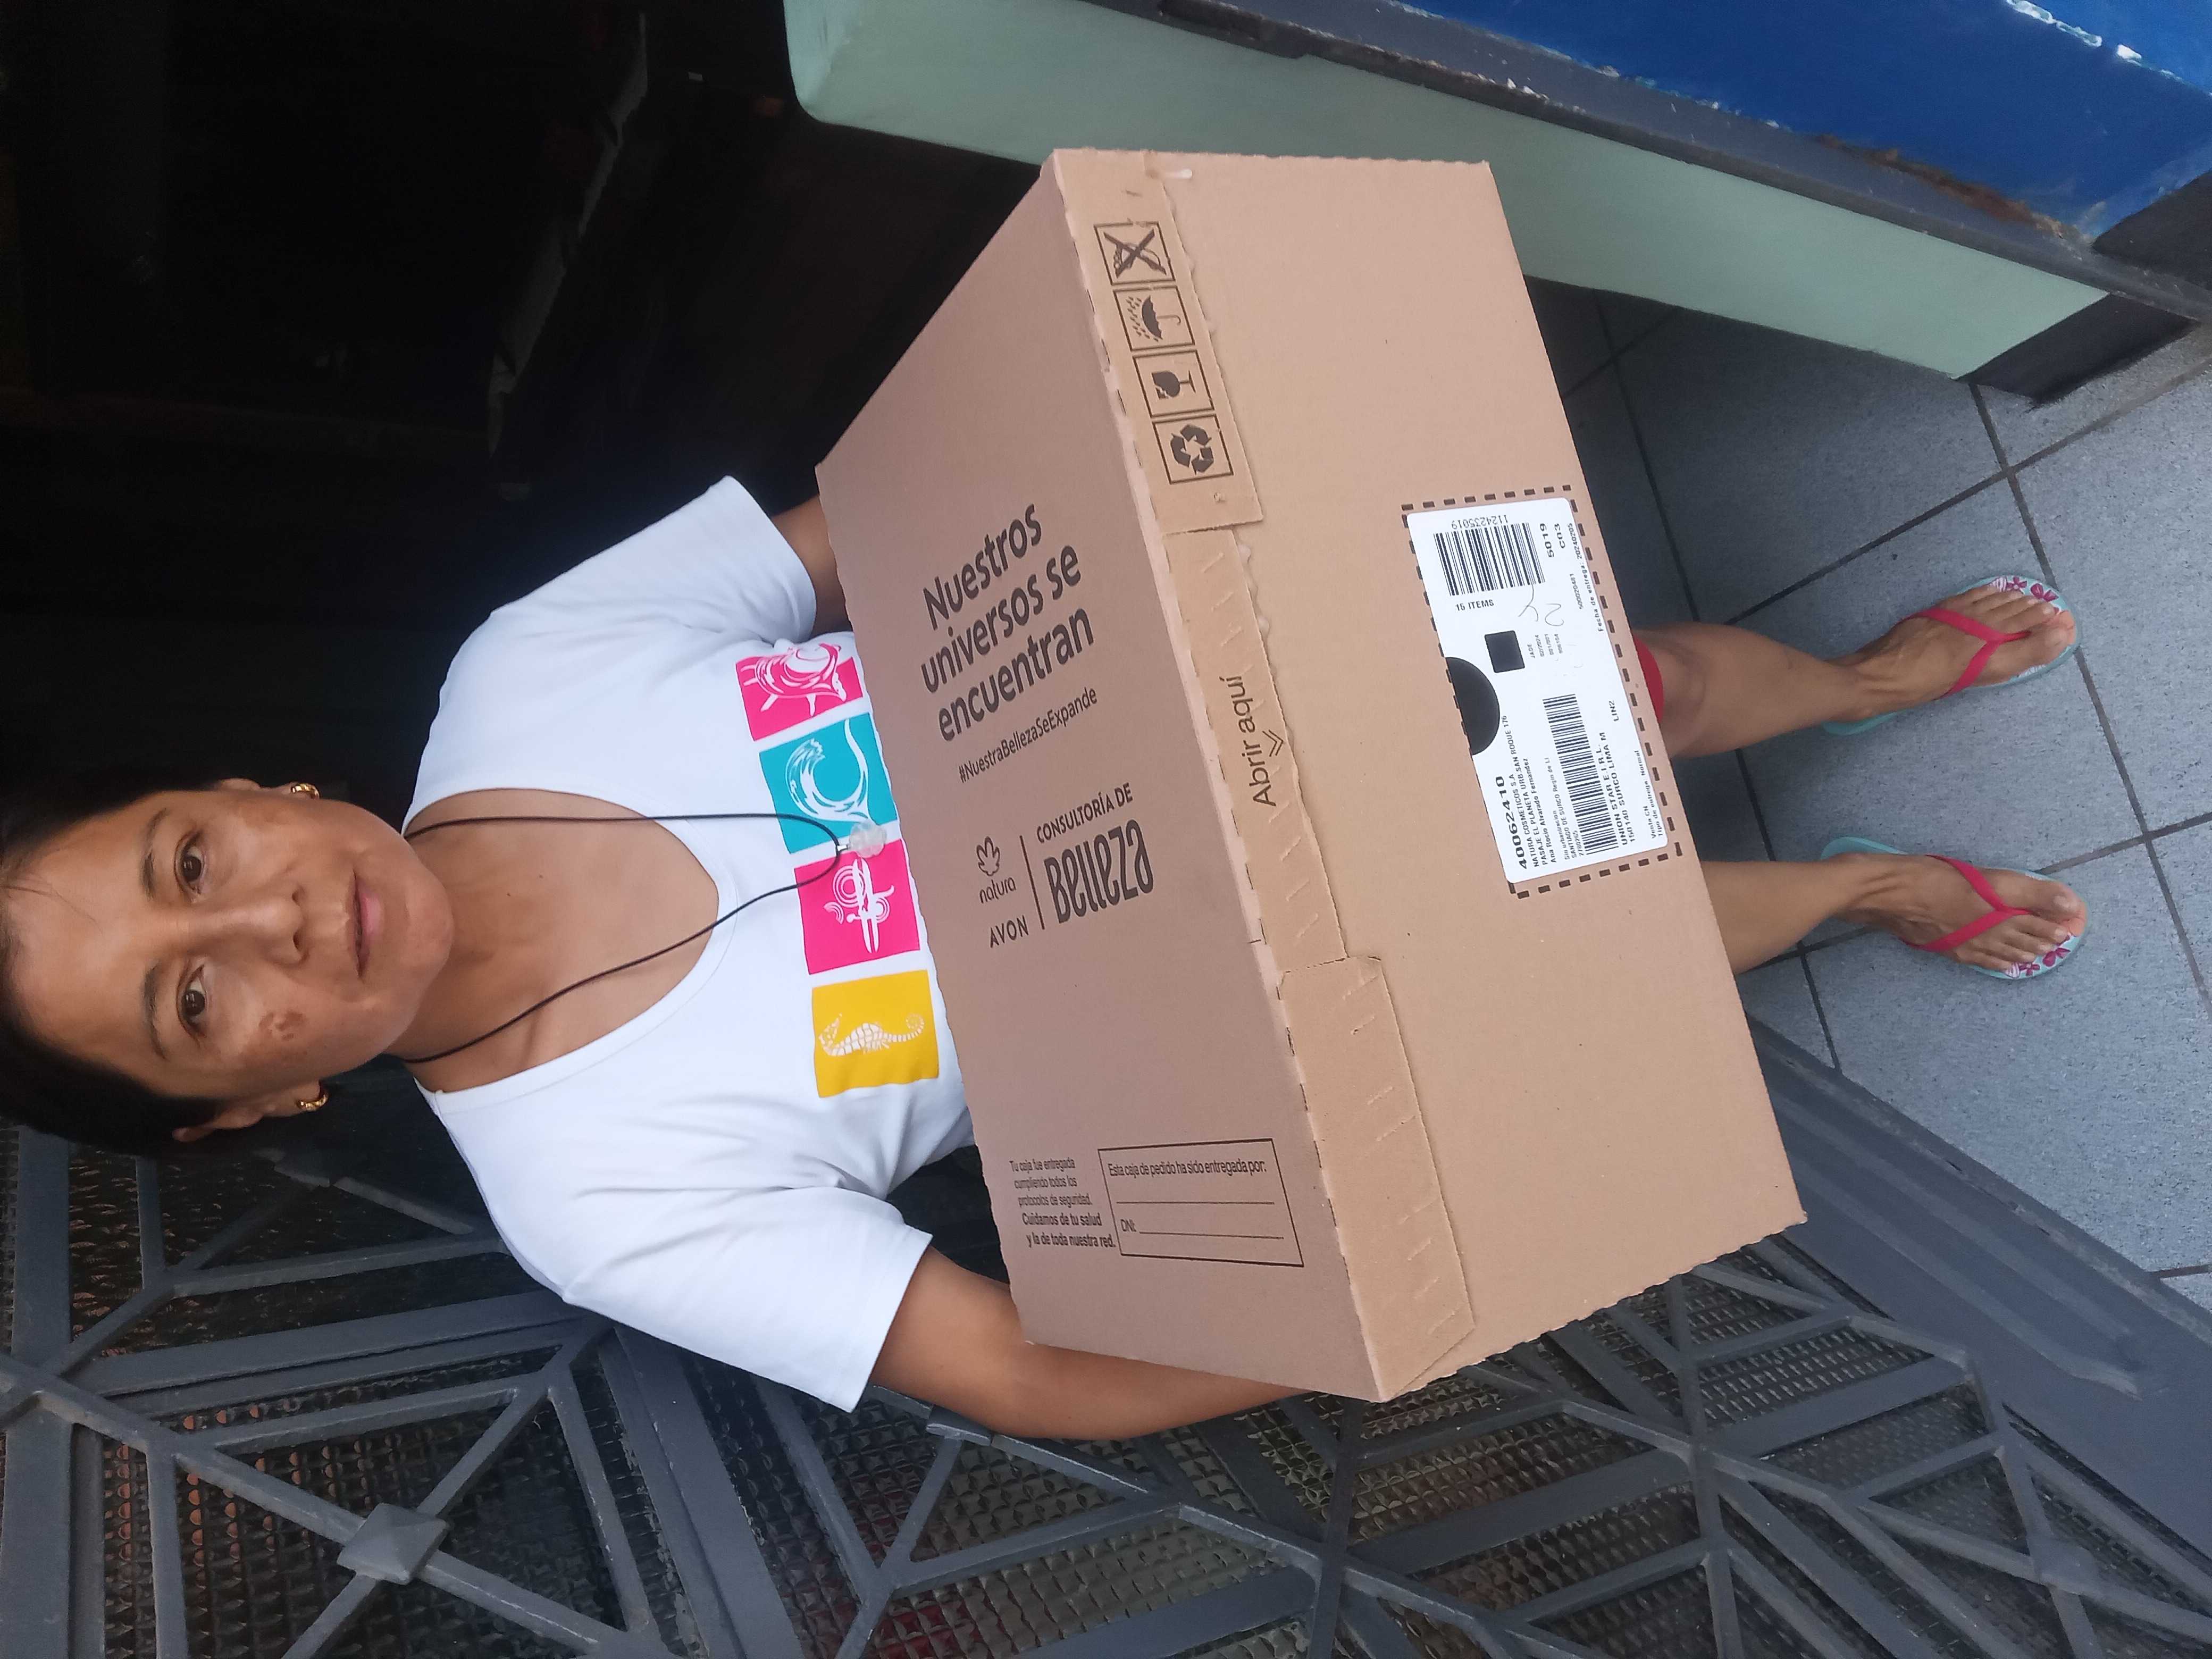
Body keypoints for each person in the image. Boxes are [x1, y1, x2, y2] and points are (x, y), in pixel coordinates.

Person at [0, 480, 2084, 1438]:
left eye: (193, 860)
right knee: (1615, 934)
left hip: (1246, 693)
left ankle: (1856, 688)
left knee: (1624, 690)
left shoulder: (528, 667)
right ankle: (1864, 894)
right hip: (1299, 971)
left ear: (248, 790)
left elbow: (859, 523)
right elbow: (1018, 1370)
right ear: (254, 1099)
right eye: (200, 998)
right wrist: (1438, 1269)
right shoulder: (592, 1203)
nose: (271, 919)